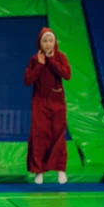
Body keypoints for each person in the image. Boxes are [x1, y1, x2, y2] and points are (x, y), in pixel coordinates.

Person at [24, 27, 72, 185]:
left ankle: (61, 170)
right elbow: (27, 81)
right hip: (39, 102)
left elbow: (67, 75)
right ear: (40, 43)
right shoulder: (34, 59)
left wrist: (51, 61)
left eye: (50, 40)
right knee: (39, 135)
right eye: (45, 41)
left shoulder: (60, 57)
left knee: (58, 134)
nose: (48, 44)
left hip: (57, 101)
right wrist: (39, 65)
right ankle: (39, 171)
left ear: (54, 42)